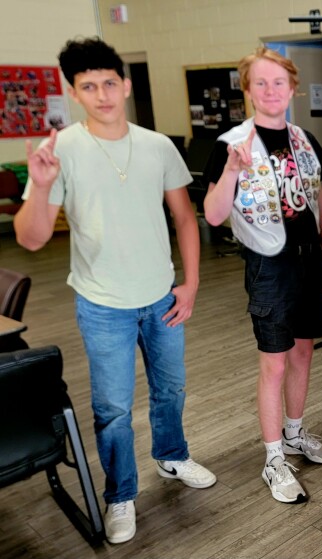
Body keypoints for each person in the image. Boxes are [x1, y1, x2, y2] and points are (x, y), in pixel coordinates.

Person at [14, 38, 216, 545]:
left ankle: (171, 458)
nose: (102, 94)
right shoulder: (60, 151)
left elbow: (185, 218)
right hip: (103, 303)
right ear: (74, 92)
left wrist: (189, 284)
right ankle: (120, 493)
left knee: (170, 389)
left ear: (125, 85)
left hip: (162, 296)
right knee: (114, 409)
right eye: (88, 86)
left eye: (109, 83)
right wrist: (40, 187)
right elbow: (32, 239)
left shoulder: (157, 145)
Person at [202, 47, 322, 505]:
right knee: (274, 362)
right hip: (269, 265)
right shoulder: (232, 144)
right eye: (260, 83)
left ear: (293, 88)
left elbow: (319, 203)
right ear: (247, 90)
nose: (271, 91)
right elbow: (214, 214)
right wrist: (231, 171)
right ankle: (273, 457)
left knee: (303, 353)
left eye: (279, 82)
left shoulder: (304, 140)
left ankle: (296, 433)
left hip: (308, 260)